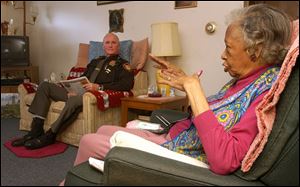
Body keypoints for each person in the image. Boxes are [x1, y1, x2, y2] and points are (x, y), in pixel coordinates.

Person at [66, 4, 292, 176]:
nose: (223, 55)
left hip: (179, 155)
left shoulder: (265, 92)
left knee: (89, 140)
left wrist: (193, 90)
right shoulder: (244, 80)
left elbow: (225, 159)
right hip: (175, 138)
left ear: (256, 51)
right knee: (105, 128)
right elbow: (213, 117)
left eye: (229, 47)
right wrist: (185, 80)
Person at [11, 33, 134, 150]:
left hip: (93, 95)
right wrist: (72, 89)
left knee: (74, 100)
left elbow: (126, 85)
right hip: (80, 93)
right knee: (45, 86)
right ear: (103, 46)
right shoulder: (95, 61)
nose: (110, 45)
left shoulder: (122, 65)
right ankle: (36, 130)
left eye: (113, 42)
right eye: (107, 42)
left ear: (118, 46)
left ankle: (50, 135)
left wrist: (99, 87)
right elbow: (83, 79)